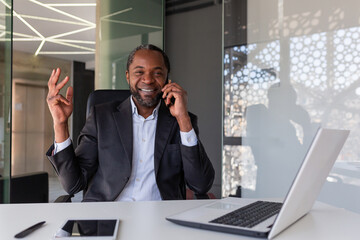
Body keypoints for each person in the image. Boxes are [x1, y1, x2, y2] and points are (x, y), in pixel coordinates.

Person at [46, 44, 215, 202]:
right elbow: (73, 184)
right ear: (127, 76)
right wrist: (60, 124)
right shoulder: (101, 117)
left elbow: (200, 185)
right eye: (139, 72)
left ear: (167, 78)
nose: (148, 80)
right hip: (106, 219)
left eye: (157, 73)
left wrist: (183, 119)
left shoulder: (181, 120)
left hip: (161, 220)